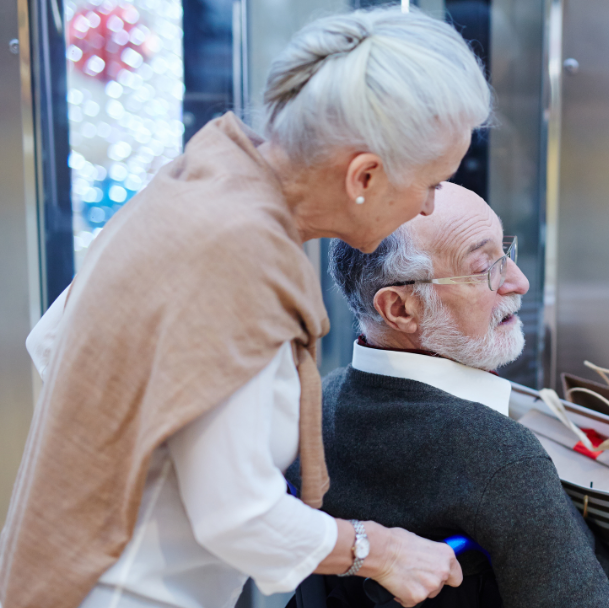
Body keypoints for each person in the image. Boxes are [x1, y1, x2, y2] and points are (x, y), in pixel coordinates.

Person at [0, 8, 491, 608]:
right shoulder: (238, 260)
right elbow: (238, 517)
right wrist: (382, 550)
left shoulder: (194, 181)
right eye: (432, 183)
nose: (425, 207)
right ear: (364, 175)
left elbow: (52, 344)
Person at [289, 182, 609, 608]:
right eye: (484, 266)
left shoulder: (319, 403)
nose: (519, 281)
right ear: (399, 309)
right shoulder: (498, 456)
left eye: (505, 252)